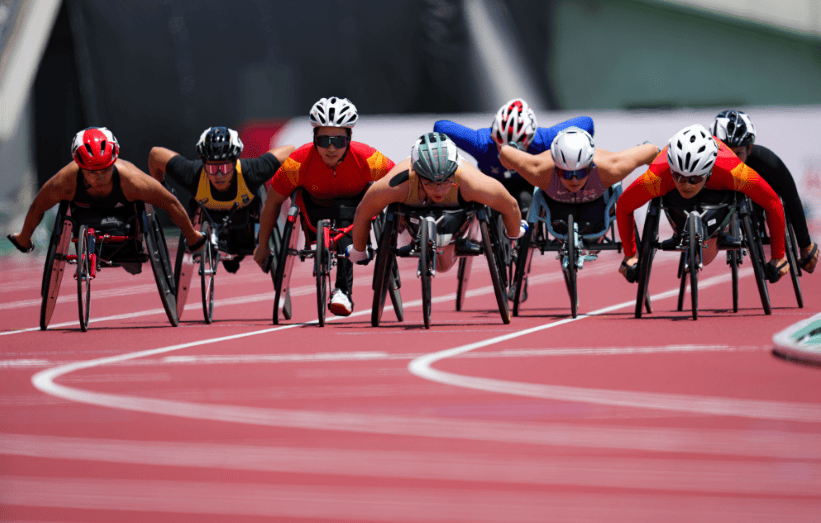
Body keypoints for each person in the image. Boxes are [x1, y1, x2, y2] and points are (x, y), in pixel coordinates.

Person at [253, 96, 395, 316]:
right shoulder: (297, 163)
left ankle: (342, 292)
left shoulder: (367, 158)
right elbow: (272, 204)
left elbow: (399, 182)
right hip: (314, 210)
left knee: (350, 213)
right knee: (326, 211)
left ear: (349, 138)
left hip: (355, 212)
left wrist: (402, 221)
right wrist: (262, 246)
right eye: (323, 140)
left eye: (338, 141)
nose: (331, 148)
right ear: (314, 138)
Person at [497, 126, 659, 300]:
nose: (573, 180)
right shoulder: (539, 169)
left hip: (596, 211)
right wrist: (513, 156)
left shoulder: (611, 167)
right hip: (557, 211)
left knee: (623, 203)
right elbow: (505, 153)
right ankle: (520, 281)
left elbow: (651, 151)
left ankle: (630, 259)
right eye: (565, 174)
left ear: (590, 166)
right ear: (556, 167)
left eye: (580, 173)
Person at [616, 124, 790, 283]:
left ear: (708, 171)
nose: (686, 185)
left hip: (719, 190)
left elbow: (772, 202)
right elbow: (624, 205)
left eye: (694, 178)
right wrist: (630, 255)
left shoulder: (734, 171)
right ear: (671, 168)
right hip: (672, 189)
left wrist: (778, 256)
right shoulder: (658, 176)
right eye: (679, 176)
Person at [7, 127, 205, 262]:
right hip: (82, 213)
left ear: (114, 162)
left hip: (124, 213)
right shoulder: (64, 180)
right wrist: (24, 238)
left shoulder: (132, 179)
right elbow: (37, 206)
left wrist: (191, 235)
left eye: (106, 170)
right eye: (92, 172)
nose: (100, 177)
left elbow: (170, 202)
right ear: (80, 167)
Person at [346, 132, 526, 277]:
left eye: (446, 181)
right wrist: (359, 250)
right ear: (416, 173)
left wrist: (514, 231)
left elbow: (510, 205)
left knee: (443, 265)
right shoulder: (398, 183)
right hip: (412, 220)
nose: (439, 190)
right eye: (430, 182)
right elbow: (364, 211)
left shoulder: (471, 182)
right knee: (438, 261)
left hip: (456, 220)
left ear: (455, 172)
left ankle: (461, 233)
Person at [148, 126, 295, 273]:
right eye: (212, 168)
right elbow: (156, 155)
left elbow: (290, 151)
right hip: (209, 218)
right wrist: (162, 190)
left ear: (235, 162)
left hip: (245, 223)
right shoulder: (193, 174)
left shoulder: (251, 171)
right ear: (203, 164)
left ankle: (238, 251)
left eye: (224, 168)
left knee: (242, 240)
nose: (219, 175)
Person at [433, 98, 594, 216]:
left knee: (527, 202)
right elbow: (440, 127)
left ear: (529, 140)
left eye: (517, 148)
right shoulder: (481, 142)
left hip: (528, 184)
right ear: (493, 136)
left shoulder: (544, 140)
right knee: (489, 209)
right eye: (500, 145)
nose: (507, 153)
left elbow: (587, 123)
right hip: (493, 185)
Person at [710, 110, 817, 273]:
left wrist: (805, 246)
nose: (732, 161)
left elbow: (792, 199)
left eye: (738, 153)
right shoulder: (707, 163)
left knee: (782, 196)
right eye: (726, 152)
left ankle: (757, 222)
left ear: (750, 148)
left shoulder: (768, 162)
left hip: (759, 195)